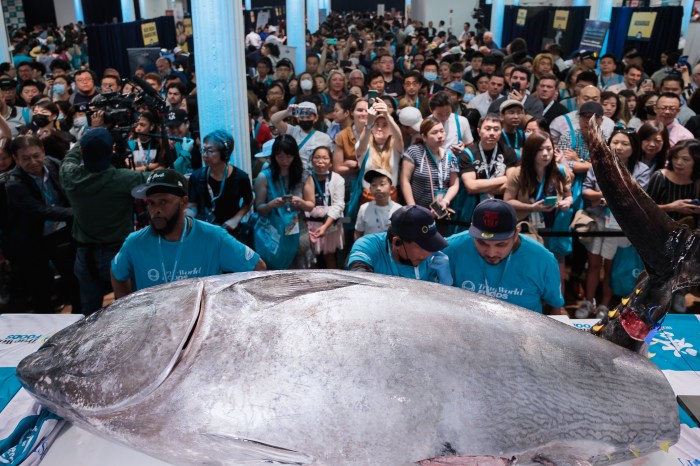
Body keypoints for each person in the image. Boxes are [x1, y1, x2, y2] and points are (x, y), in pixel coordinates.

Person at [111, 169, 265, 296]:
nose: (155, 210)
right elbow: (117, 274)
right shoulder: (135, 242)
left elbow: (258, 268)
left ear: (184, 202)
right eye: (151, 203)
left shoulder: (213, 237)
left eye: (163, 202)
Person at [60, 128, 149, 314]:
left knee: (90, 312)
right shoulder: (125, 179)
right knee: (128, 310)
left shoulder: (70, 176)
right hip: (119, 254)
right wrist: (184, 155)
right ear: (112, 150)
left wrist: (87, 135)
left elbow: (69, 159)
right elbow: (162, 181)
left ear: (83, 152)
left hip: (85, 257)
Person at [577, 127, 650, 319]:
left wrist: (605, 197)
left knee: (610, 266)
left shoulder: (642, 169)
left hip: (620, 225)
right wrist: (607, 196)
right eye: (615, 142)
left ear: (634, 147)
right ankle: (588, 301)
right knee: (593, 264)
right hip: (597, 221)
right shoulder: (597, 165)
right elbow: (586, 192)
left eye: (625, 143)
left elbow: (635, 196)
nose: (619, 147)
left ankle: (604, 304)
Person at [442, 198, 564, 313]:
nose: (491, 253)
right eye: (482, 242)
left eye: (501, 245)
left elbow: (555, 308)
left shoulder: (543, 260)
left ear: (516, 234)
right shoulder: (450, 249)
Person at [5, 135, 80, 313]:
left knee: (75, 281)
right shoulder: (13, 183)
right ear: (16, 159)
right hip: (32, 240)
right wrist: (78, 213)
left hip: (61, 234)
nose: (33, 162)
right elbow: (41, 211)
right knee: (41, 290)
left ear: (44, 152)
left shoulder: (54, 164)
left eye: (36, 155)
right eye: (25, 158)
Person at [504, 130, 573, 288]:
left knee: (556, 272)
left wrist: (567, 202)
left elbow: (569, 195)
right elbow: (507, 201)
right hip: (528, 229)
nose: (545, 154)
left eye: (549, 149)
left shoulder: (560, 171)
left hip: (555, 229)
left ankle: (556, 308)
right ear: (530, 152)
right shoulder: (518, 174)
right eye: (540, 150)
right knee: (529, 272)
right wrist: (532, 207)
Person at [347, 204, 452, 285]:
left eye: (432, 244)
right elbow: (358, 274)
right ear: (397, 242)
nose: (429, 253)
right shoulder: (368, 245)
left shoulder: (436, 259)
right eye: (422, 246)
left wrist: (446, 282)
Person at [254, 135, 315, 270]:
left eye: (288, 156)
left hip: (298, 230)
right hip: (273, 232)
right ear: (273, 156)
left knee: (299, 274)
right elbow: (259, 208)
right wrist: (271, 204)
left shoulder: (304, 175)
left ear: (295, 156)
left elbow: (310, 205)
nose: (284, 161)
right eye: (280, 157)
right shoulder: (265, 176)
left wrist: (300, 203)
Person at [187, 130, 254, 246]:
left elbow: (249, 200)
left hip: (230, 233)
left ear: (224, 154)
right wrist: (186, 217)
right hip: (205, 233)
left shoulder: (241, 177)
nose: (204, 155)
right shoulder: (197, 177)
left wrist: (236, 218)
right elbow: (192, 206)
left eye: (210, 151)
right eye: (203, 150)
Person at [401, 116, 459, 224]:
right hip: (417, 212)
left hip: (440, 212)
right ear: (424, 137)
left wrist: (446, 201)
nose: (440, 136)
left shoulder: (450, 155)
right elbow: (405, 181)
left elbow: (454, 184)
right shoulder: (414, 151)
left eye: (442, 131)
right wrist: (413, 207)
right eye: (435, 132)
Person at [355, 98, 404, 203]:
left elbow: (399, 137)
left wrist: (387, 114)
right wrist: (369, 123)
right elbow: (362, 145)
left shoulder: (395, 146)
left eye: (385, 125)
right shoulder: (364, 144)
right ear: (372, 128)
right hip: (368, 197)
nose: (380, 128)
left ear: (391, 129)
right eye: (377, 124)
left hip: (391, 197)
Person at [306, 146, 345, 269]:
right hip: (309, 223)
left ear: (331, 162)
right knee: (310, 257)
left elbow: (339, 205)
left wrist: (325, 226)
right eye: (317, 157)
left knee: (330, 255)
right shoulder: (306, 178)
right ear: (311, 160)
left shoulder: (337, 179)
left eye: (324, 158)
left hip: (330, 223)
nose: (320, 161)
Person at [270, 101, 332, 171]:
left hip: (315, 175)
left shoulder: (325, 138)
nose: (305, 119)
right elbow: (274, 120)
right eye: (302, 117)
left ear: (316, 118)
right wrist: (287, 112)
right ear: (297, 118)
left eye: (308, 117)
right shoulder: (292, 131)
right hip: (296, 175)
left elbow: (329, 160)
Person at [355, 168, 402, 239]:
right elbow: (358, 233)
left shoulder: (399, 209)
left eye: (382, 184)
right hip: (369, 248)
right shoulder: (364, 209)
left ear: (391, 189)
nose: (378, 188)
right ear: (370, 189)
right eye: (374, 185)